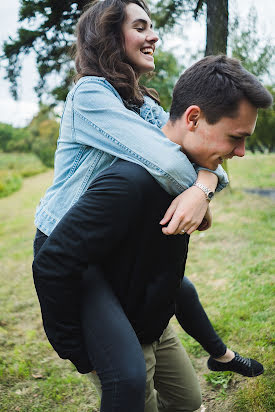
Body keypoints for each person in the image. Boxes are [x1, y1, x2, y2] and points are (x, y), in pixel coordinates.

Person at [33, 54, 272, 411]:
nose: (240, 152)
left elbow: (168, 273)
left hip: (154, 322)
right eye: (235, 138)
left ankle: (219, 356)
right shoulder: (128, 183)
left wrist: (204, 185)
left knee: (189, 402)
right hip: (124, 334)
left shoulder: (187, 174)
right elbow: (52, 263)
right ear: (193, 117)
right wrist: (80, 354)